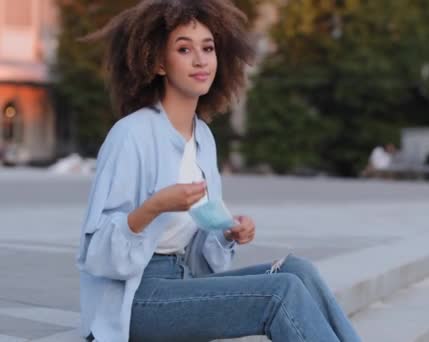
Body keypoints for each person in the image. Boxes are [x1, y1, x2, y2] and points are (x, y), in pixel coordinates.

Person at [75, 1, 361, 341]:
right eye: (184, 49)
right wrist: (155, 206)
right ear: (159, 62)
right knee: (279, 292)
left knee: (298, 271)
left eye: (208, 48)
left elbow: (199, 258)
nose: (200, 60)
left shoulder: (203, 139)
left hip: (182, 284)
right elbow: (96, 254)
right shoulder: (131, 135)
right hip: (135, 300)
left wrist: (225, 233)